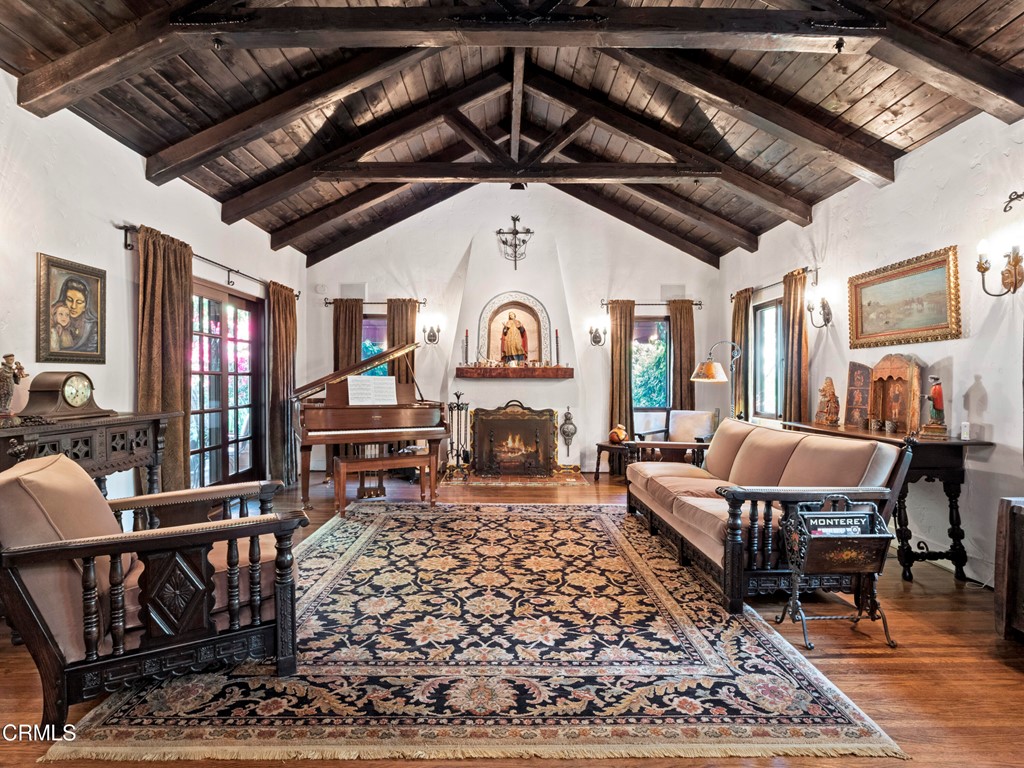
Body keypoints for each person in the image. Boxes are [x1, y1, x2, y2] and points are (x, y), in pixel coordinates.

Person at [56, 276, 98, 353]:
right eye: (69, 300)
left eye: (79, 302)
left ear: (86, 305)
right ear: (63, 300)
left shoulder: (93, 326)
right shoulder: (55, 320)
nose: (73, 306)